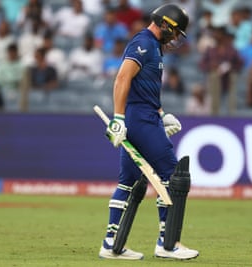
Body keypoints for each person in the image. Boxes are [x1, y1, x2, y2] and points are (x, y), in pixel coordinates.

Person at [99, 3, 199, 260]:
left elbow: (147, 89)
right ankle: (168, 244)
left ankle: (111, 244)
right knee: (173, 174)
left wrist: (162, 115)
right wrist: (119, 118)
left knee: (128, 181)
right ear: (164, 23)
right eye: (175, 31)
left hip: (146, 116)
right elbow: (122, 78)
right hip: (139, 119)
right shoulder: (143, 42)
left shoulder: (154, 47)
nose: (176, 38)